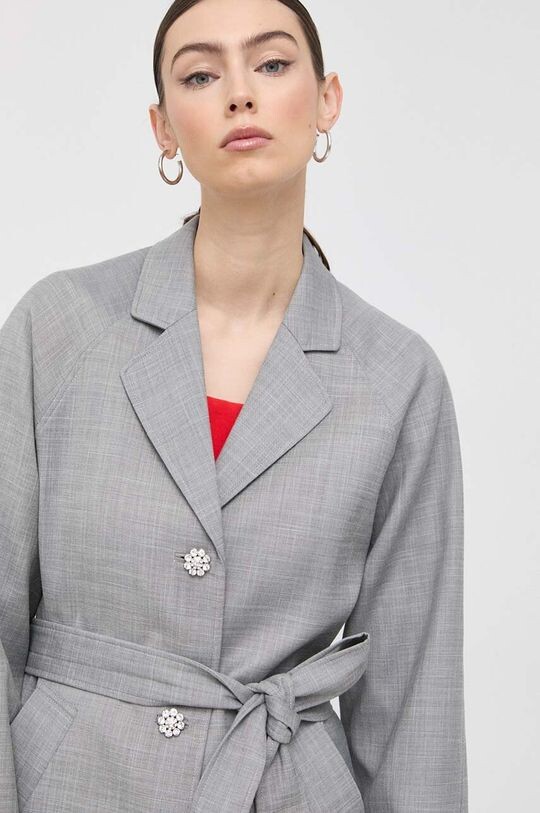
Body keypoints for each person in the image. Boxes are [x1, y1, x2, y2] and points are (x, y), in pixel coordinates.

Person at [0, 0, 468, 810]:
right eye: (200, 75)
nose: (240, 93)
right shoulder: (60, 328)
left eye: (273, 63)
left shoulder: (398, 379)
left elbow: (413, 709)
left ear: (327, 100)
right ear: (163, 127)